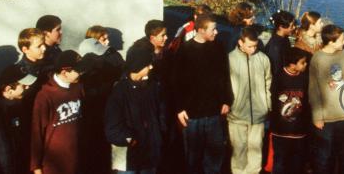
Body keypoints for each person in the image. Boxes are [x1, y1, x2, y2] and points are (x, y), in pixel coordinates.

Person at [172, 13, 232, 174]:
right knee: (193, 160)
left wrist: (227, 100)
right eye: (213, 29)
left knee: (214, 160)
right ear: (200, 30)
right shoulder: (184, 50)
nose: (216, 32)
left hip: (214, 113)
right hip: (192, 116)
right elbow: (176, 83)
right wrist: (179, 109)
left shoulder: (218, 47)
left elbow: (225, 75)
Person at [307, 24, 344, 174]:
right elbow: (313, 90)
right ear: (331, 41)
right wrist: (317, 116)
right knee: (324, 157)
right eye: (341, 40)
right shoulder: (318, 58)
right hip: (327, 118)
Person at [105, 50, 165, 174]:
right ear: (138, 66)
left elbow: (161, 113)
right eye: (148, 64)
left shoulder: (153, 87)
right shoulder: (119, 91)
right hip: (128, 157)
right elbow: (112, 125)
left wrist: (160, 133)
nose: (151, 67)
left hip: (150, 154)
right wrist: (129, 139)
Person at [79, 26, 125, 174]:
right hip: (95, 111)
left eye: (107, 38)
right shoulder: (85, 62)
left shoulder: (113, 54)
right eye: (103, 39)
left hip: (112, 107)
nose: (107, 42)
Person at [31, 50, 85, 174]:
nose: (81, 73)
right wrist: (36, 167)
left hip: (76, 160)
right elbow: (37, 133)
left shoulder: (78, 87)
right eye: (78, 71)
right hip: (53, 165)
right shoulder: (45, 96)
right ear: (64, 72)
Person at [227, 27, 272, 174]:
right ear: (240, 42)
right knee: (239, 150)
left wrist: (267, 106)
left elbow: (268, 84)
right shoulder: (230, 60)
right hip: (237, 114)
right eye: (249, 46)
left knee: (256, 150)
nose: (253, 49)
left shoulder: (263, 59)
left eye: (255, 46)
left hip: (259, 114)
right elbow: (224, 86)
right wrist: (230, 106)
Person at [270, 46, 312, 174]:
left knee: (297, 163)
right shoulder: (278, 78)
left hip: (299, 131)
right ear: (293, 64)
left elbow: (307, 103)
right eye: (302, 62)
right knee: (280, 162)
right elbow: (272, 102)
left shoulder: (304, 78)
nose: (305, 65)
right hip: (280, 131)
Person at [265, 10, 297, 77]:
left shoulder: (284, 39)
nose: (294, 27)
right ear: (281, 27)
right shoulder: (275, 47)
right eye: (291, 26)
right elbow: (276, 71)